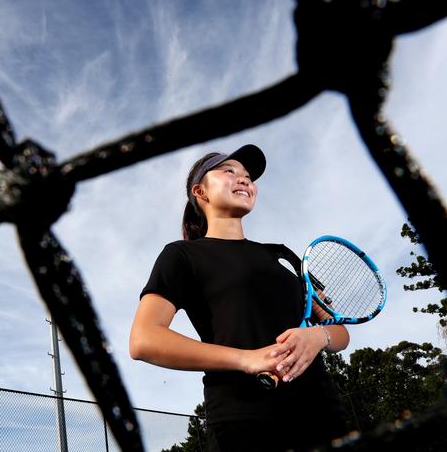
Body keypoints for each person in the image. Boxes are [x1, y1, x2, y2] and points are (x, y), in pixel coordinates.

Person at [129, 145, 350, 451]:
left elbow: (339, 331)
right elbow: (144, 340)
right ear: (200, 192)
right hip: (244, 421)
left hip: (323, 414)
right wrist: (246, 359)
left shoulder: (285, 258)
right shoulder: (182, 256)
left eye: (248, 176)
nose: (244, 180)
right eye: (229, 171)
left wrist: (318, 337)